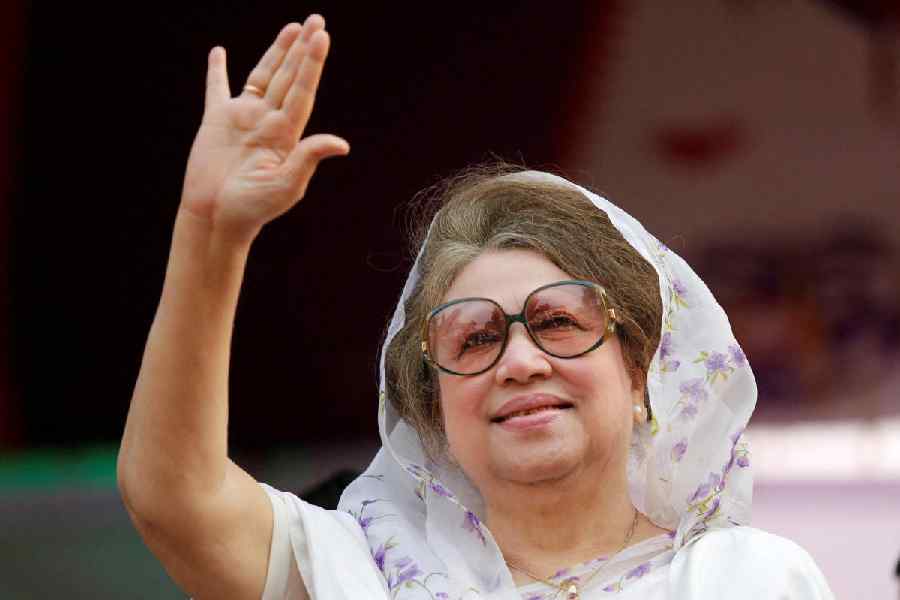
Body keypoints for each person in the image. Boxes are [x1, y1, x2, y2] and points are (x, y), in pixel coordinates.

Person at [116, 16, 835, 600]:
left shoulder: (747, 579)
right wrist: (211, 234)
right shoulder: (361, 571)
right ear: (434, 407)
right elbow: (174, 498)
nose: (520, 362)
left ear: (640, 369)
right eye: (475, 339)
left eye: (558, 323)